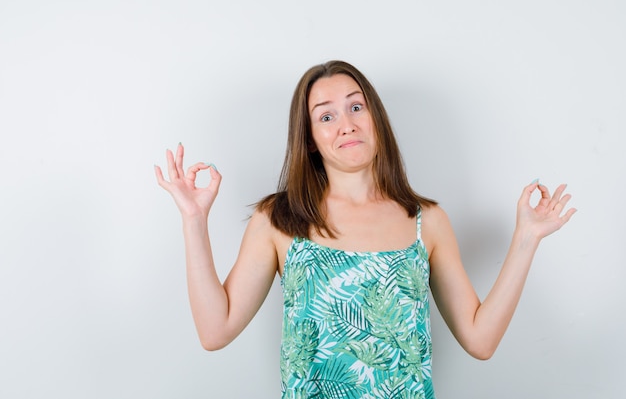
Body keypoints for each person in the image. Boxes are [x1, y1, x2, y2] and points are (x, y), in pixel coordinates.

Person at [154, 60, 576, 398]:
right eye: (326, 116)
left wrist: (526, 238)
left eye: (356, 106)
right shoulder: (279, 220)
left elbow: (480, 340)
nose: (346, 124)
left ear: (376, 118)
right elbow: (215, 331)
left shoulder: (426, 221)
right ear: (311, 139)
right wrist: (194, 220)